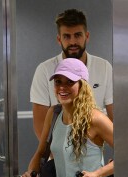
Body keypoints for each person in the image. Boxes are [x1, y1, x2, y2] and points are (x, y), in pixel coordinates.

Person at [30, 8, 113, 140]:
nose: (73, 42)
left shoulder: (104, 68)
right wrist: (59, 155)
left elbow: (115, 119)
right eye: (67, 36)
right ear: (59, 39)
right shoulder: (44, 70)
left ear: (87, 36)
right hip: (57, 155)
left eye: (78, 35)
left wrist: (117, 158)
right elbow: (40, 124)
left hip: (94, 154)